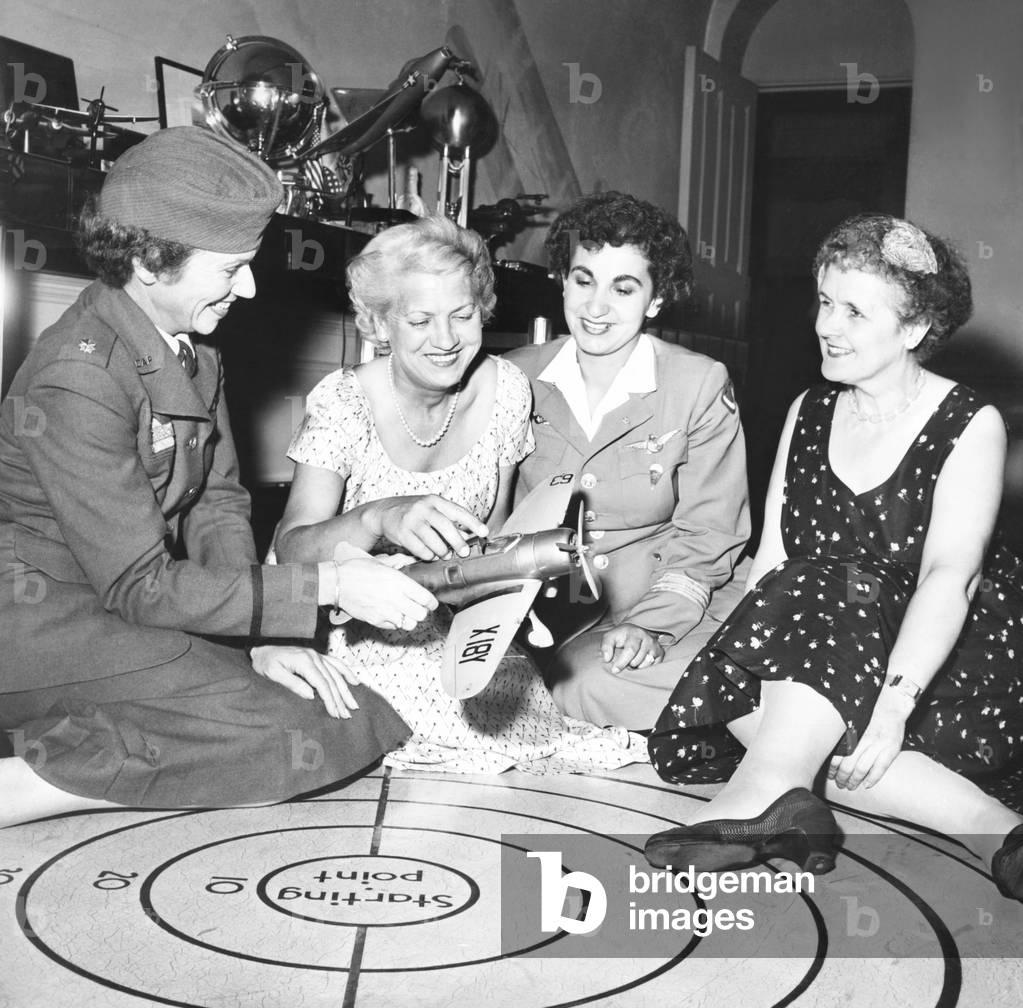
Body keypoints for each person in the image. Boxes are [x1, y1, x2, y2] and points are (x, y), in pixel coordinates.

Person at [0, 127, 435, 827]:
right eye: (232, 268)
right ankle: (23, 786)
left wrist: (259, 637)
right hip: (43, 624)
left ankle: (88, 741)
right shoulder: (77, 376)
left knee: (337, 715)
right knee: (284, 734)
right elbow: (139, 586)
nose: (250, 288)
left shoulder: (193, 350)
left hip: (124, 607)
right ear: (149, 260)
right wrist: (328, 585)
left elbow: (218, 504)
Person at [645, 214, 1023, 900]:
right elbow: (770, 561)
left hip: (938, 660)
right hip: (819, 646)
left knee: (831, 587)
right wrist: (742, 661)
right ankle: (997, 835)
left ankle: (764, 790)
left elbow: (950, 578)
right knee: (750, 682)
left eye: (854, 311)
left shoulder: (969, 422)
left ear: (914, 329)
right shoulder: (808, 410)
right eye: (824, 301)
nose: (827, 325)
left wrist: (893, 708)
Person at [274, 215, 643, 773]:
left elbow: (493, 545)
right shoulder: (344, 401)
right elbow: (291, 552)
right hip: (353, 629)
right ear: (379, 324)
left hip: (461, 633)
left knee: (526, 732)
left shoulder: (506, 390)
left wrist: (517, 586)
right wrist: (376, 518)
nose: (445, 340)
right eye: (419, 320)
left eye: (462, 315)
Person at [505, 191, 750, 731]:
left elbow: (711, 531)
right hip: (550, 614)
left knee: (587, 686)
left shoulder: (698, 384)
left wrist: (652, 626)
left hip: (674, 600)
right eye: (583, 280)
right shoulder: (511, 378)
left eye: (623, 288)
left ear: (655, 300)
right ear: (562, 281)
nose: (596, 308)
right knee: (556, 686)